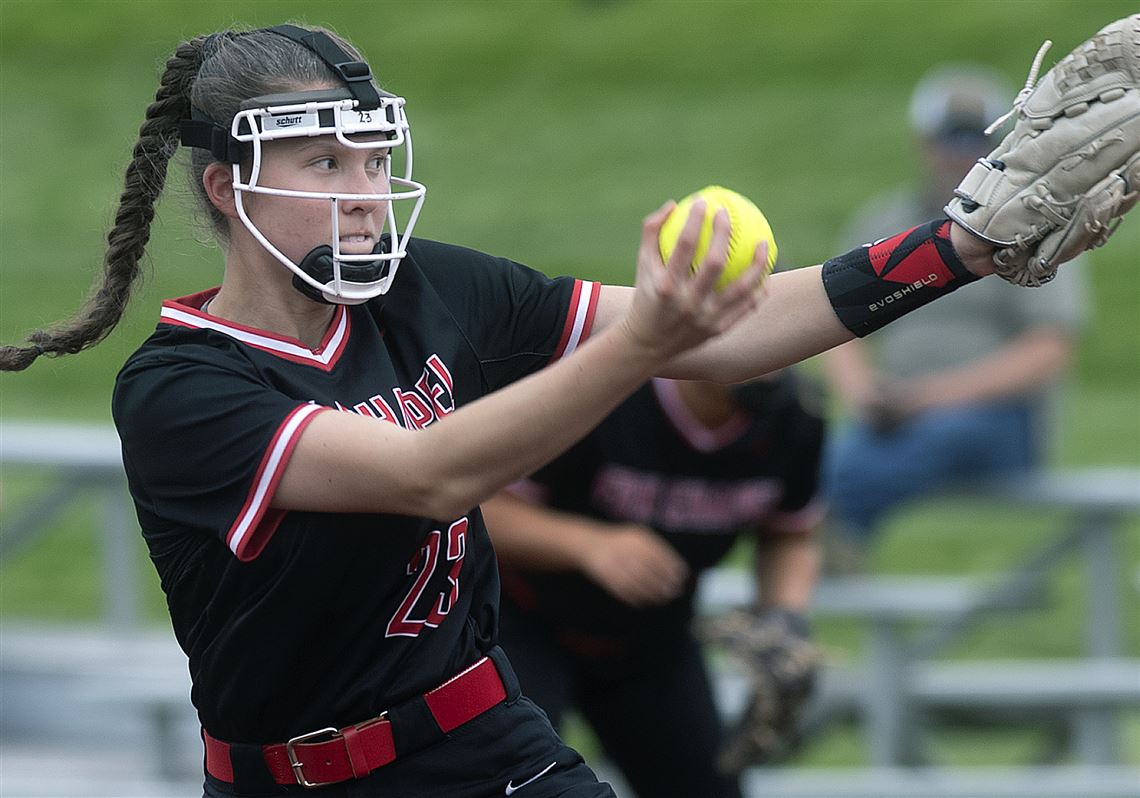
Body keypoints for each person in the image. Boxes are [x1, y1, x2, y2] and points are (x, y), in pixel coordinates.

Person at [0, 20, 1112, 798]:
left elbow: (731, 328)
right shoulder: (182, 388)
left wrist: (958, 249)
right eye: (324, 161)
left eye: (374, 155)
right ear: (228, 187)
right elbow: (426, 477)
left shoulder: (426, 284)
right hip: (283, 779)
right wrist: (641, 346)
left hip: (485, 745)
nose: (365, 188)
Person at [484, 370, 825, 798]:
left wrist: (785, 615)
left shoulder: (796, 414)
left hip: (654, 638)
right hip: (525, 624)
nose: (770, 359)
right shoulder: (601, 389)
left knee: (710, 786)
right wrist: (588, 544)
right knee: (515, 785)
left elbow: (789, 533)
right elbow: (478, 509)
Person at [820, 64, 1089, 571]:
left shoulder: (1035, 222)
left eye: (976, 138)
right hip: (898, 416)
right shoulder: (887, 220)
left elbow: (1048, 350)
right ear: (923, 143)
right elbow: (836, 323)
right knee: (825, 451)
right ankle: (819, 547)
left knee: (921, 443)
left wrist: (929, 397)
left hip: (1000, 421)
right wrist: (864, 394)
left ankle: (827, 543)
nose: (962, 152)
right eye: (951, 138)